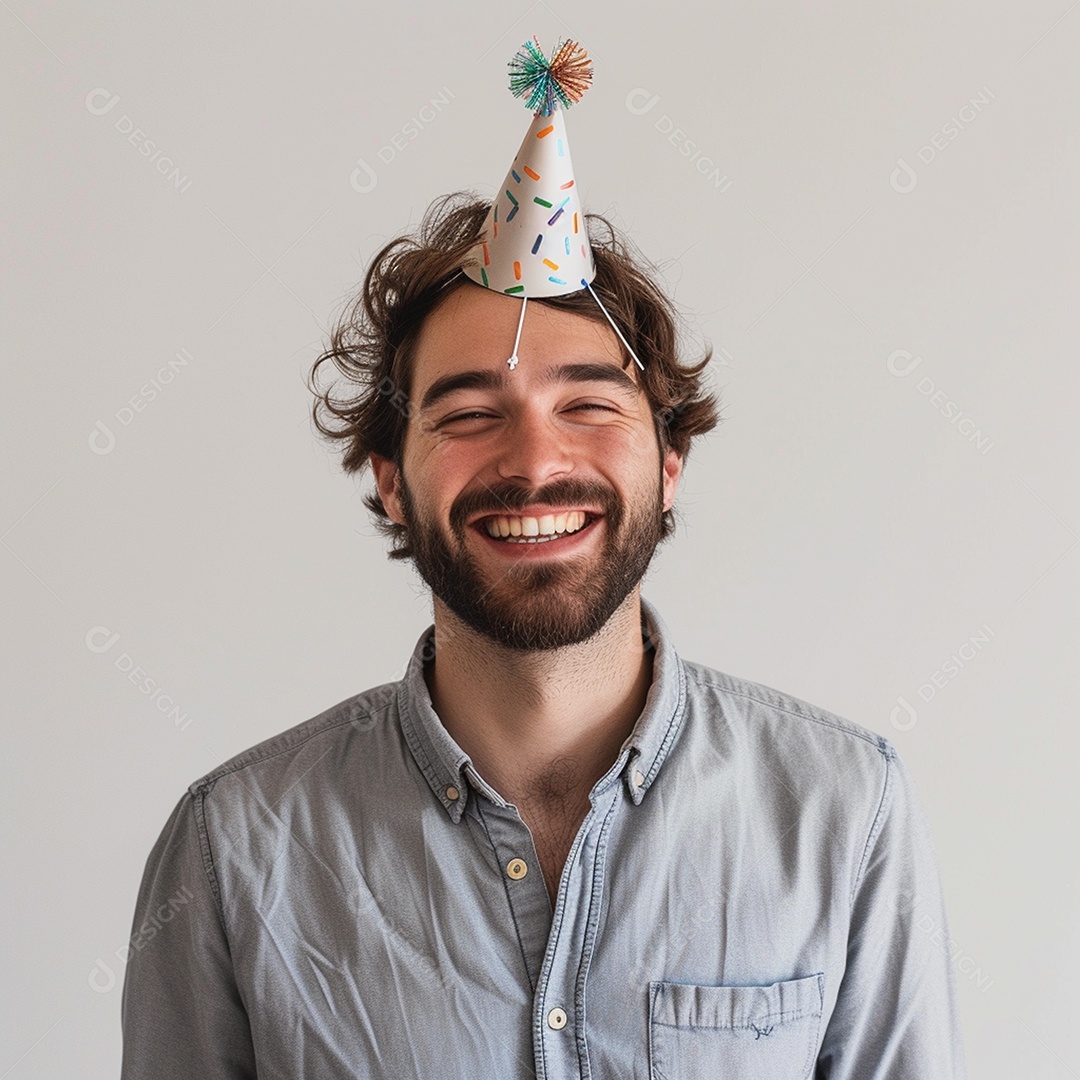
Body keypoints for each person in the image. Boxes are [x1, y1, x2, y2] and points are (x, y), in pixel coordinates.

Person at [121, 42, 966, 1080]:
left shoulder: (847, 812)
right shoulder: (234, 848)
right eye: (470, 414)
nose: (534, 462)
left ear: (668, 461)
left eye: (589, 407)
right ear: (391, 478)